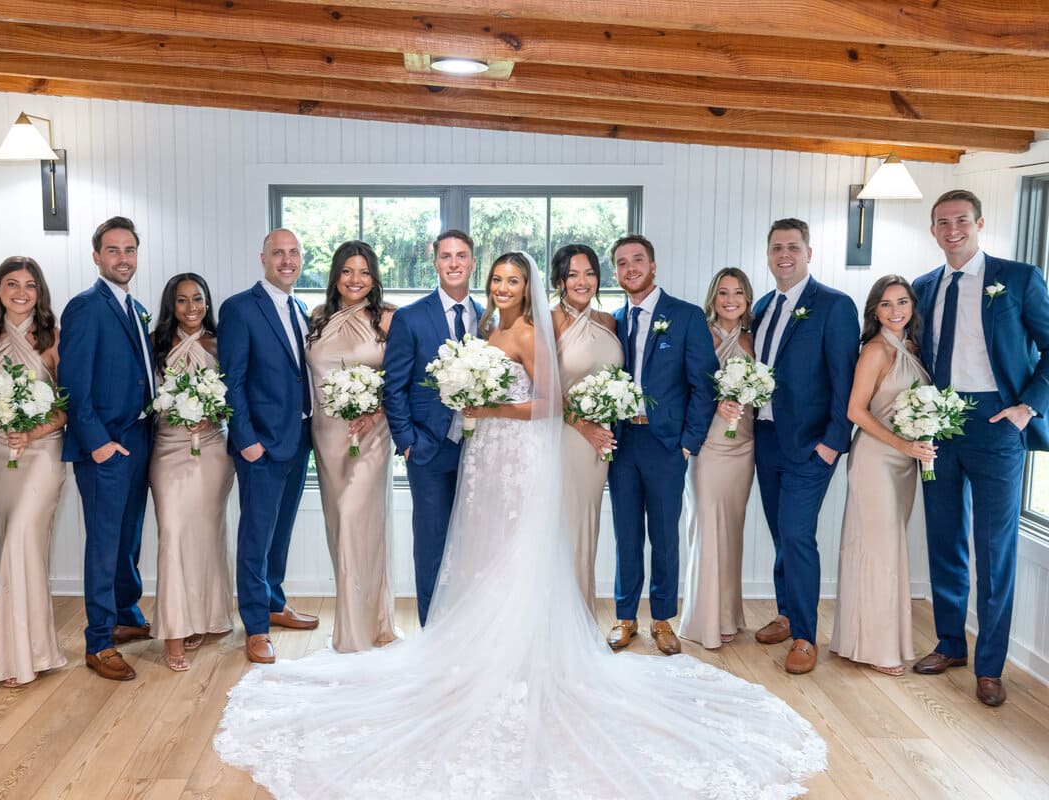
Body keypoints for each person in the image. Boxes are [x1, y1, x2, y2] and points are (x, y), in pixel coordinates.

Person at [213, 251, 826, 799]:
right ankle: (475, 651)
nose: (504, 288)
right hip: (485, 455)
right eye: (498, 280)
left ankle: (524, 658)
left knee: (516, 551)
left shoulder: (531, 332)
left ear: (528, 286)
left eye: (513, 280)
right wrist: (469, 405)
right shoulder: (485, 326)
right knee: (482, 554)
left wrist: (485, 405)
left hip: (518, 454)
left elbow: (550, 403)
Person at [912, 189, 1049, 707]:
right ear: (933, 230)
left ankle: (990, 666)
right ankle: (950, 643)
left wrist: (1026, 407)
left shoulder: (1018, 278)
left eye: (961, 220)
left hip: (998, 424)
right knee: (944, 538)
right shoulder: (924, 287)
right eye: (943, 222)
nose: (953, 230)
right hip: (939, 423)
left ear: (979, 223)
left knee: (995, 551)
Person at [751, 218, 859, 675]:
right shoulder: (760, 305)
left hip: (812, 444)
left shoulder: (834, 306)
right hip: (767, 438)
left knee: (797, 534)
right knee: (780, 531)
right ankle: (786, 612)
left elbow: (845, 379)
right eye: (776, 248)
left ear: (808, 253)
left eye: (793, 247)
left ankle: (805, 636)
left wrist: (833, 443)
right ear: (769, 255)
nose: (784, 256)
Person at [607, 235, 718, 654]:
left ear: (653, 266)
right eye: (622, 262)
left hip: (667, 443)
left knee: (665, 536)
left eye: (638, 260)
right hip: (621, 441)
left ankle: (662, 620)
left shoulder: (685, 316)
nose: (630, 268)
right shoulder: (613, 320)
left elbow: (704, 385)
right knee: (625, 533)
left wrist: (688, 443)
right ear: (616, 272)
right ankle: (624, 616)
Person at [58, 216, 156, 682]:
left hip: (140, 439)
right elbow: (73, 384)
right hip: (107, 445)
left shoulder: (133, 307)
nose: (123, 258)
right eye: (113, 250)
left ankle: (124, 615)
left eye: (130, 249)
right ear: (96, 257)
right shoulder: (85, 307)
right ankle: (98, 641)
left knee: (129, 537)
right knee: (103, 543)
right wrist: (97, 444)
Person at [218, 228, 319, 666]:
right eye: (278, 253)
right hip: (261, 445)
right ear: (262, 258)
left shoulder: (299, 307)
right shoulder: (240, 308)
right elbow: (232, 382)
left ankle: (275, 603)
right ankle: (256, 626)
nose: (287, 260)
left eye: (294, 253)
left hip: (298, 441)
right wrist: (248, 442)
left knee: (282, 531)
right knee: (256, 535)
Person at [829, 275, 932, 676]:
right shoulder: (874, 350)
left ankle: (856, 639)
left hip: (904, 464)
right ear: (875, 310)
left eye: (902, 302)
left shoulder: (914, 347)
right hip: (876, 460)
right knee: (879, 552)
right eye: (886, 304)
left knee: (884, 551)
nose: (895, 311)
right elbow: (856, 411)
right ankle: (879, 648)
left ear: (912, 306)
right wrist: (903, 445)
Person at [382, 229, 484, 627]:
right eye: (446, 256)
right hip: (429, 448)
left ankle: (471, 626)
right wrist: (408, 442)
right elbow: (395, 386)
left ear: (474, 261)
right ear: (435, 262)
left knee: (476, 542)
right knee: (431, 544)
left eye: (461, 255)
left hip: (481, 448)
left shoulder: (489, 317)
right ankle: (434, 631)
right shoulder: (410, 317)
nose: (454, 263)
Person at [0, 257, 68, 687]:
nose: (21, 292)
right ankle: (34, 651)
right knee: (10, 549)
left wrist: (31, 432)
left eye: (30, 285)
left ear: (39, 292)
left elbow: (68, 407)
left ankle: (23, 658)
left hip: (42, 453)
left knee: (22, 541)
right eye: (12, 284)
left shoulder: (53, 338)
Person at [307, 241, 400, 652]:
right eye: (347, 271)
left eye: (364, 272)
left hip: (371, 435)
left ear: (374, 277)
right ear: (335, 275)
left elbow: (398, 379)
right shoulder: (316, 316)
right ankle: (358, 624)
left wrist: (374, 410)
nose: (355, 280)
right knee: (338, 529)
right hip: (326, 439)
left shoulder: (389, 318)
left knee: (355, 521)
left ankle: (360, 633)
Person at [148, 273, 235, 672]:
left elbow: (236, 391)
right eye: (182, 301)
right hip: (168, 448)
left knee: (205, 534)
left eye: (198, 299)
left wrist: (213, 411)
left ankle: (203, 616)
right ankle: (174, 630)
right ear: (172, 305)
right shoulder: (154, 344)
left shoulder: (220, 343)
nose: (191, 308)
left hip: (213, 449)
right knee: (174, 534)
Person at [679, 267, 756, 649]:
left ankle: (727, 614)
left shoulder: (754, 339)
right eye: (723, 293)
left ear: (747, 298)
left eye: (738, 293)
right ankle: (703, 618)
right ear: (713, 297)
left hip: (743, 445)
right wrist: (716, 405)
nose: (730, 300)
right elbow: (688, 384)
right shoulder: (701, 334)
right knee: (705, 527)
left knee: (732, 529)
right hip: (707, 444)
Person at [550, 244, 621, 617]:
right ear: (560, 280)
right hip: (564, 439)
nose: (583, 281)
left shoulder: (609, 322)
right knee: (563, 527)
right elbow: (540, 391)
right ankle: (561, 618)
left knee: (586, 526)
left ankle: (581, 615)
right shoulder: (547, 322)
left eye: (590, 273)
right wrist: (585, 426)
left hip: (600, 446)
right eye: (573, 274)